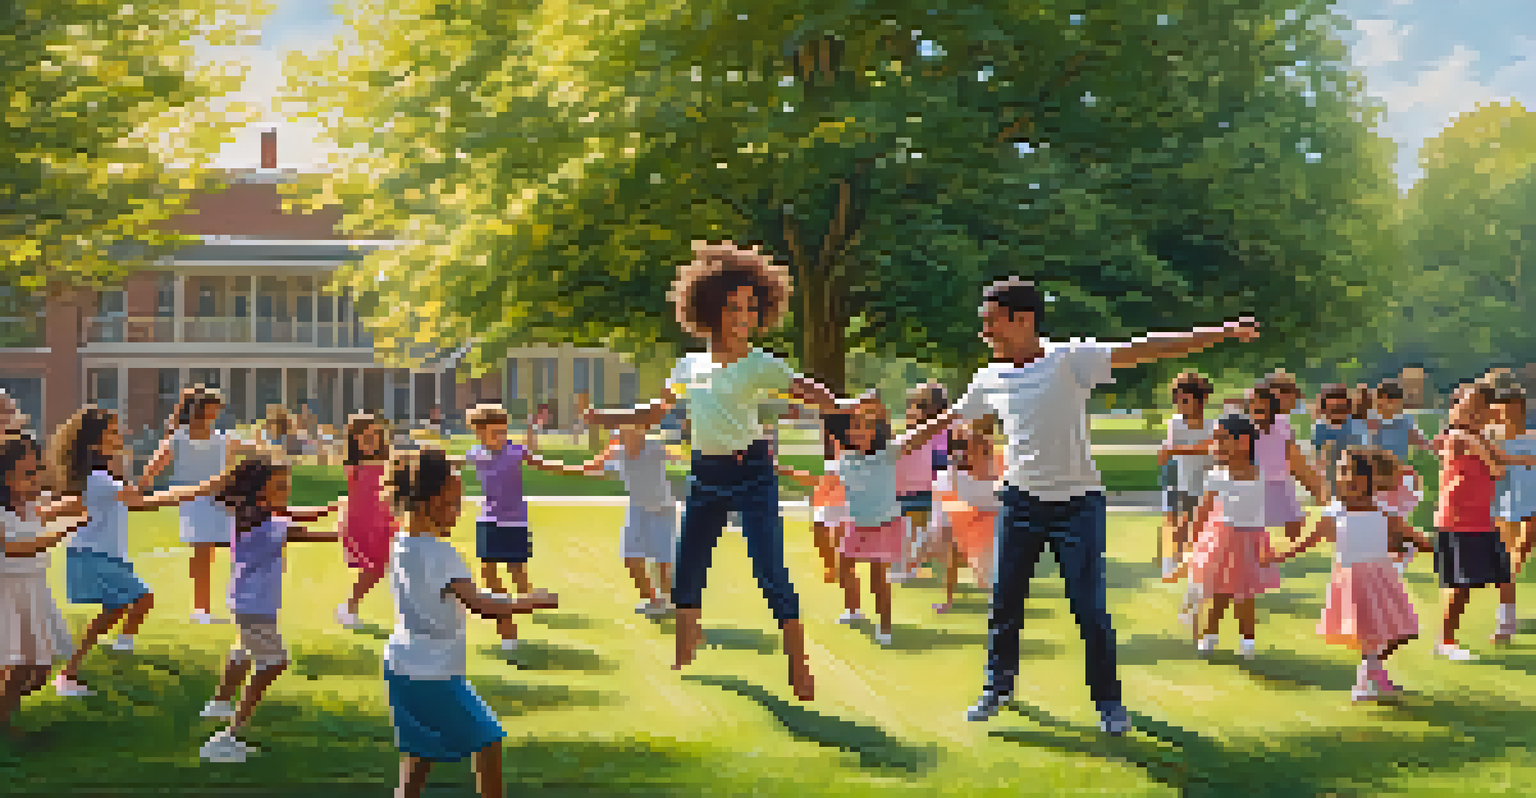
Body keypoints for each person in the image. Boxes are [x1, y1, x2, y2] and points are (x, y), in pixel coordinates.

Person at [911, 276, 1261, 733]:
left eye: (991, 322)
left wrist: (1223, 332)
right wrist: (902, 443)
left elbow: (1145, 348)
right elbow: (955, 415)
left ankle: (1109, 703)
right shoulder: (989, 377)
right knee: (1004, 602)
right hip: (1019, 503)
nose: (984, 331)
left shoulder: (1068, 360)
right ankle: (997, 687)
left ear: (1023, 319)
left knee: (1089, 608)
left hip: (1078, 505)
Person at [584, 242, 839, 702]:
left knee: (770, 570)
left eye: (749, 307)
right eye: (732, 307)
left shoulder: (759, 364)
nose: (743, 316)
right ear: (706, 310)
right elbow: (653, 411)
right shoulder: (688, 366)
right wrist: (603, 419)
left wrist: (843, 407)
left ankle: (798, 662)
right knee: (688, 567)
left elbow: (808, 391)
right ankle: (687, 642)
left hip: (753, 474)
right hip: (705, 475)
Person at [384, 448, 558, 798]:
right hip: (431, 674)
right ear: (427, 503)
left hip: (401, 666)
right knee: (489, 739)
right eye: (451, 502)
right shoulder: (441, 555)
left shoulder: (402, 545)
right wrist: (533, 601)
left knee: (420, 754)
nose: (458, 510)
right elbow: (482, 605)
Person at [146, 457, 340, 762]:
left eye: (287, 486)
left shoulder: (253, 513)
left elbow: (293, 515)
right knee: (273, 662)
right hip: (256, 606)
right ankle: (228, 736)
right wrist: (345, 535)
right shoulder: (268, 526)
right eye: (280, 487)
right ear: (260, 492)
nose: (287, 492)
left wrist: (329, 509)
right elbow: (304, 532)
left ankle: (220, 703)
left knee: (243, 650)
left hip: (245, 601)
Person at [1271, 448, 1433, 702]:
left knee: (1403, 631)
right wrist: (1276, 556)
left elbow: (1419, 539)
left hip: (1382, 578)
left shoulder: (1384, 511)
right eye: (1344, 472)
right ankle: (1364, 684)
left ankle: (1372, 671)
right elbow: (1306, 542)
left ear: (1370, 479)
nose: (1350, 478)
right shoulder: (1334, 513)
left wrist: (1448, 548)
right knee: (1371, 633)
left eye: (1357, 473)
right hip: (1353, 579)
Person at [1429, 383, 1536, 658]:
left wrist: (1520, 457)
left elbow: (1499, 460)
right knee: (1460, 585)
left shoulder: (1477, 436)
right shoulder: (1461, 437)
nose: (1470, 412)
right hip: (1458, 518)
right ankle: (1445, 643)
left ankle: (1504, 624)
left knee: (1502, 573)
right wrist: (1518, 458)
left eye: (1478, 408)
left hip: (1480, 518)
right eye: (1466, 406)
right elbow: (1497, 468)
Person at [528, 424, 681, 616]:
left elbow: (680, 456)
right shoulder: (617, 452)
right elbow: (588, 468)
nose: (621, 439)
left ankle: (669, 604)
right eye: (619, 435)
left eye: (625, 434)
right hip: (637, 509)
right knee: (631, 558)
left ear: (639, 433)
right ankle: (654, 600)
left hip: (663, 509)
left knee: (663, 561)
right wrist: (548, 466)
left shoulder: (653, 447)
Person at [139, 386, 246, 623]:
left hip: (221, 500)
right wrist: (140, 491)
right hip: (192, 500)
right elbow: (152, 469)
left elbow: (235, 463)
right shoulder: (178, 438)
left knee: (238, 550)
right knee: (202, 554)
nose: (215, 415)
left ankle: (236, 602)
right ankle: (201, 610)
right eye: (211, 410)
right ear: (199, 410)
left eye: (216, 410)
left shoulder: (222, 439)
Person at [0, 435, 82, 737]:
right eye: (28, 474)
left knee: (39, 671)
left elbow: (60, 505)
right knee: (18, 663)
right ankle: (4, 720)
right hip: (8, 593)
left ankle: (4, 708)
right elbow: (12, 548)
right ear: (7, 478)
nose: (36, 479)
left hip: (35, 591)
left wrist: (76, 504)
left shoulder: (33, 505)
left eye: (37, 471)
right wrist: (56, 536)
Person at [1186, 415, 1281, 659]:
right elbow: (1203, 511)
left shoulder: (1263, 474)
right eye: (1215, 439)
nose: (1215, 445)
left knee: (1245, 593)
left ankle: (1247, 640)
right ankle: (1209, 635)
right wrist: (1191, 543)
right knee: (1218, 591)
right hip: (1220, 539)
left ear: (1243, 442)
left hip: (1250, 541)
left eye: (1221, 439)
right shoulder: (1216, 475)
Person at [463, 404, 548, 650]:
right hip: (487, 520)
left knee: (519, 578)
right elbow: (453, 464)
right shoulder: (475, 452)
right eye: (494, 432)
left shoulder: (515, 451)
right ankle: (506, 622)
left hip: (515, 522)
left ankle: (525, 600)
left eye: (503, 431)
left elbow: (542, 463)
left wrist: (582, 471)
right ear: (479, 432)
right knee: (488, 573)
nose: (500, 437)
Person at [335, 413, 397, 628]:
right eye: (366, 437)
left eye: (376, 435)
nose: (372, 440)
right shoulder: (356, 464)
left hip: (385, 519)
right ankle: (348, 607)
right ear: (355, 439)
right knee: (375, 568)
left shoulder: (387, 462)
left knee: (391, 566)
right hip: (363, 521)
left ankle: (350, 607)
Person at [1158, 372, 1215, 581]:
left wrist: (1177, 450)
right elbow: (1171, 450)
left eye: (1184, 400)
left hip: (1207, 487)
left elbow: (1209, 448)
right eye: (1177, 400)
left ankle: (1199, 567)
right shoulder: (1176, 423)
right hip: (1181, 482)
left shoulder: (1213, 426)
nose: (1179, 405)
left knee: (1202, 529)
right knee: (1176, 526)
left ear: (1201, 401)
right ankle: (1171, 567)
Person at [890, 384, 949, 583]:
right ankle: (906, 565)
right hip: (903, 490)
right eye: (911, 404)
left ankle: (912, 565)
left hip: (928, 491)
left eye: (918, 404)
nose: (911, 409)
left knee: (918, 531)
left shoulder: (943, 434)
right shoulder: (910, 434)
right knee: (905, 531)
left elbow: (944, 463)